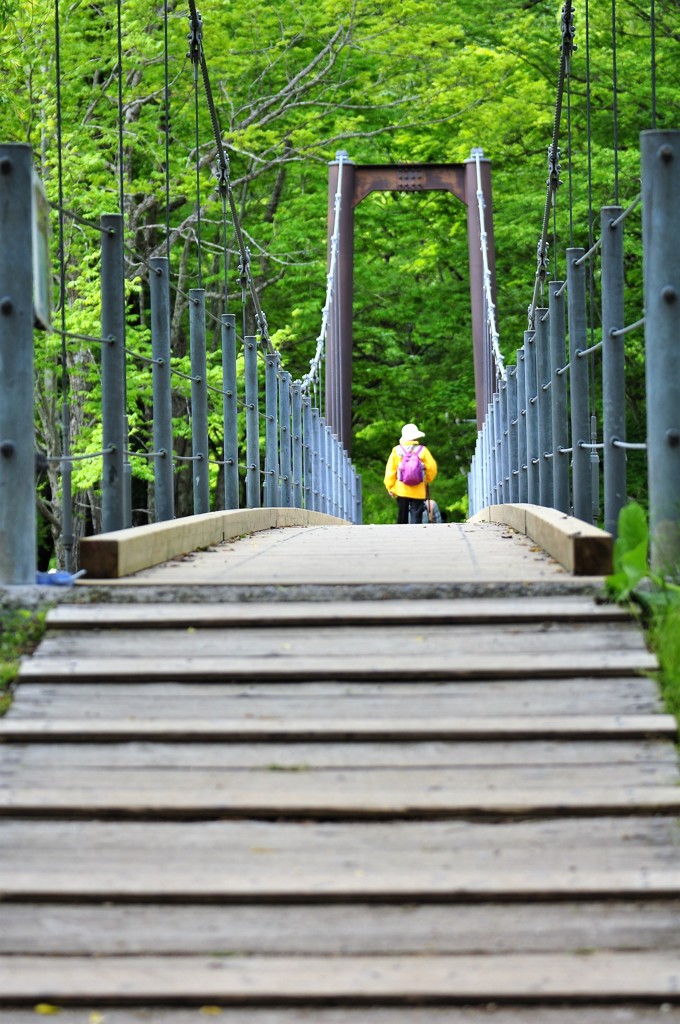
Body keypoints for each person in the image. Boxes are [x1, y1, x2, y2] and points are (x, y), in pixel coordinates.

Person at [384, 423, 437, 525]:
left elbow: (390, 470)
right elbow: (432, 467)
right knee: (417, 515)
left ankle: (401, 531)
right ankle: (416, 532)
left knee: (402, 514)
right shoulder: (422, 450)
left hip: (401, 489)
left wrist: (390, 487)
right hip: (418, 488)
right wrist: (427, 479)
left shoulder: (396, 450)